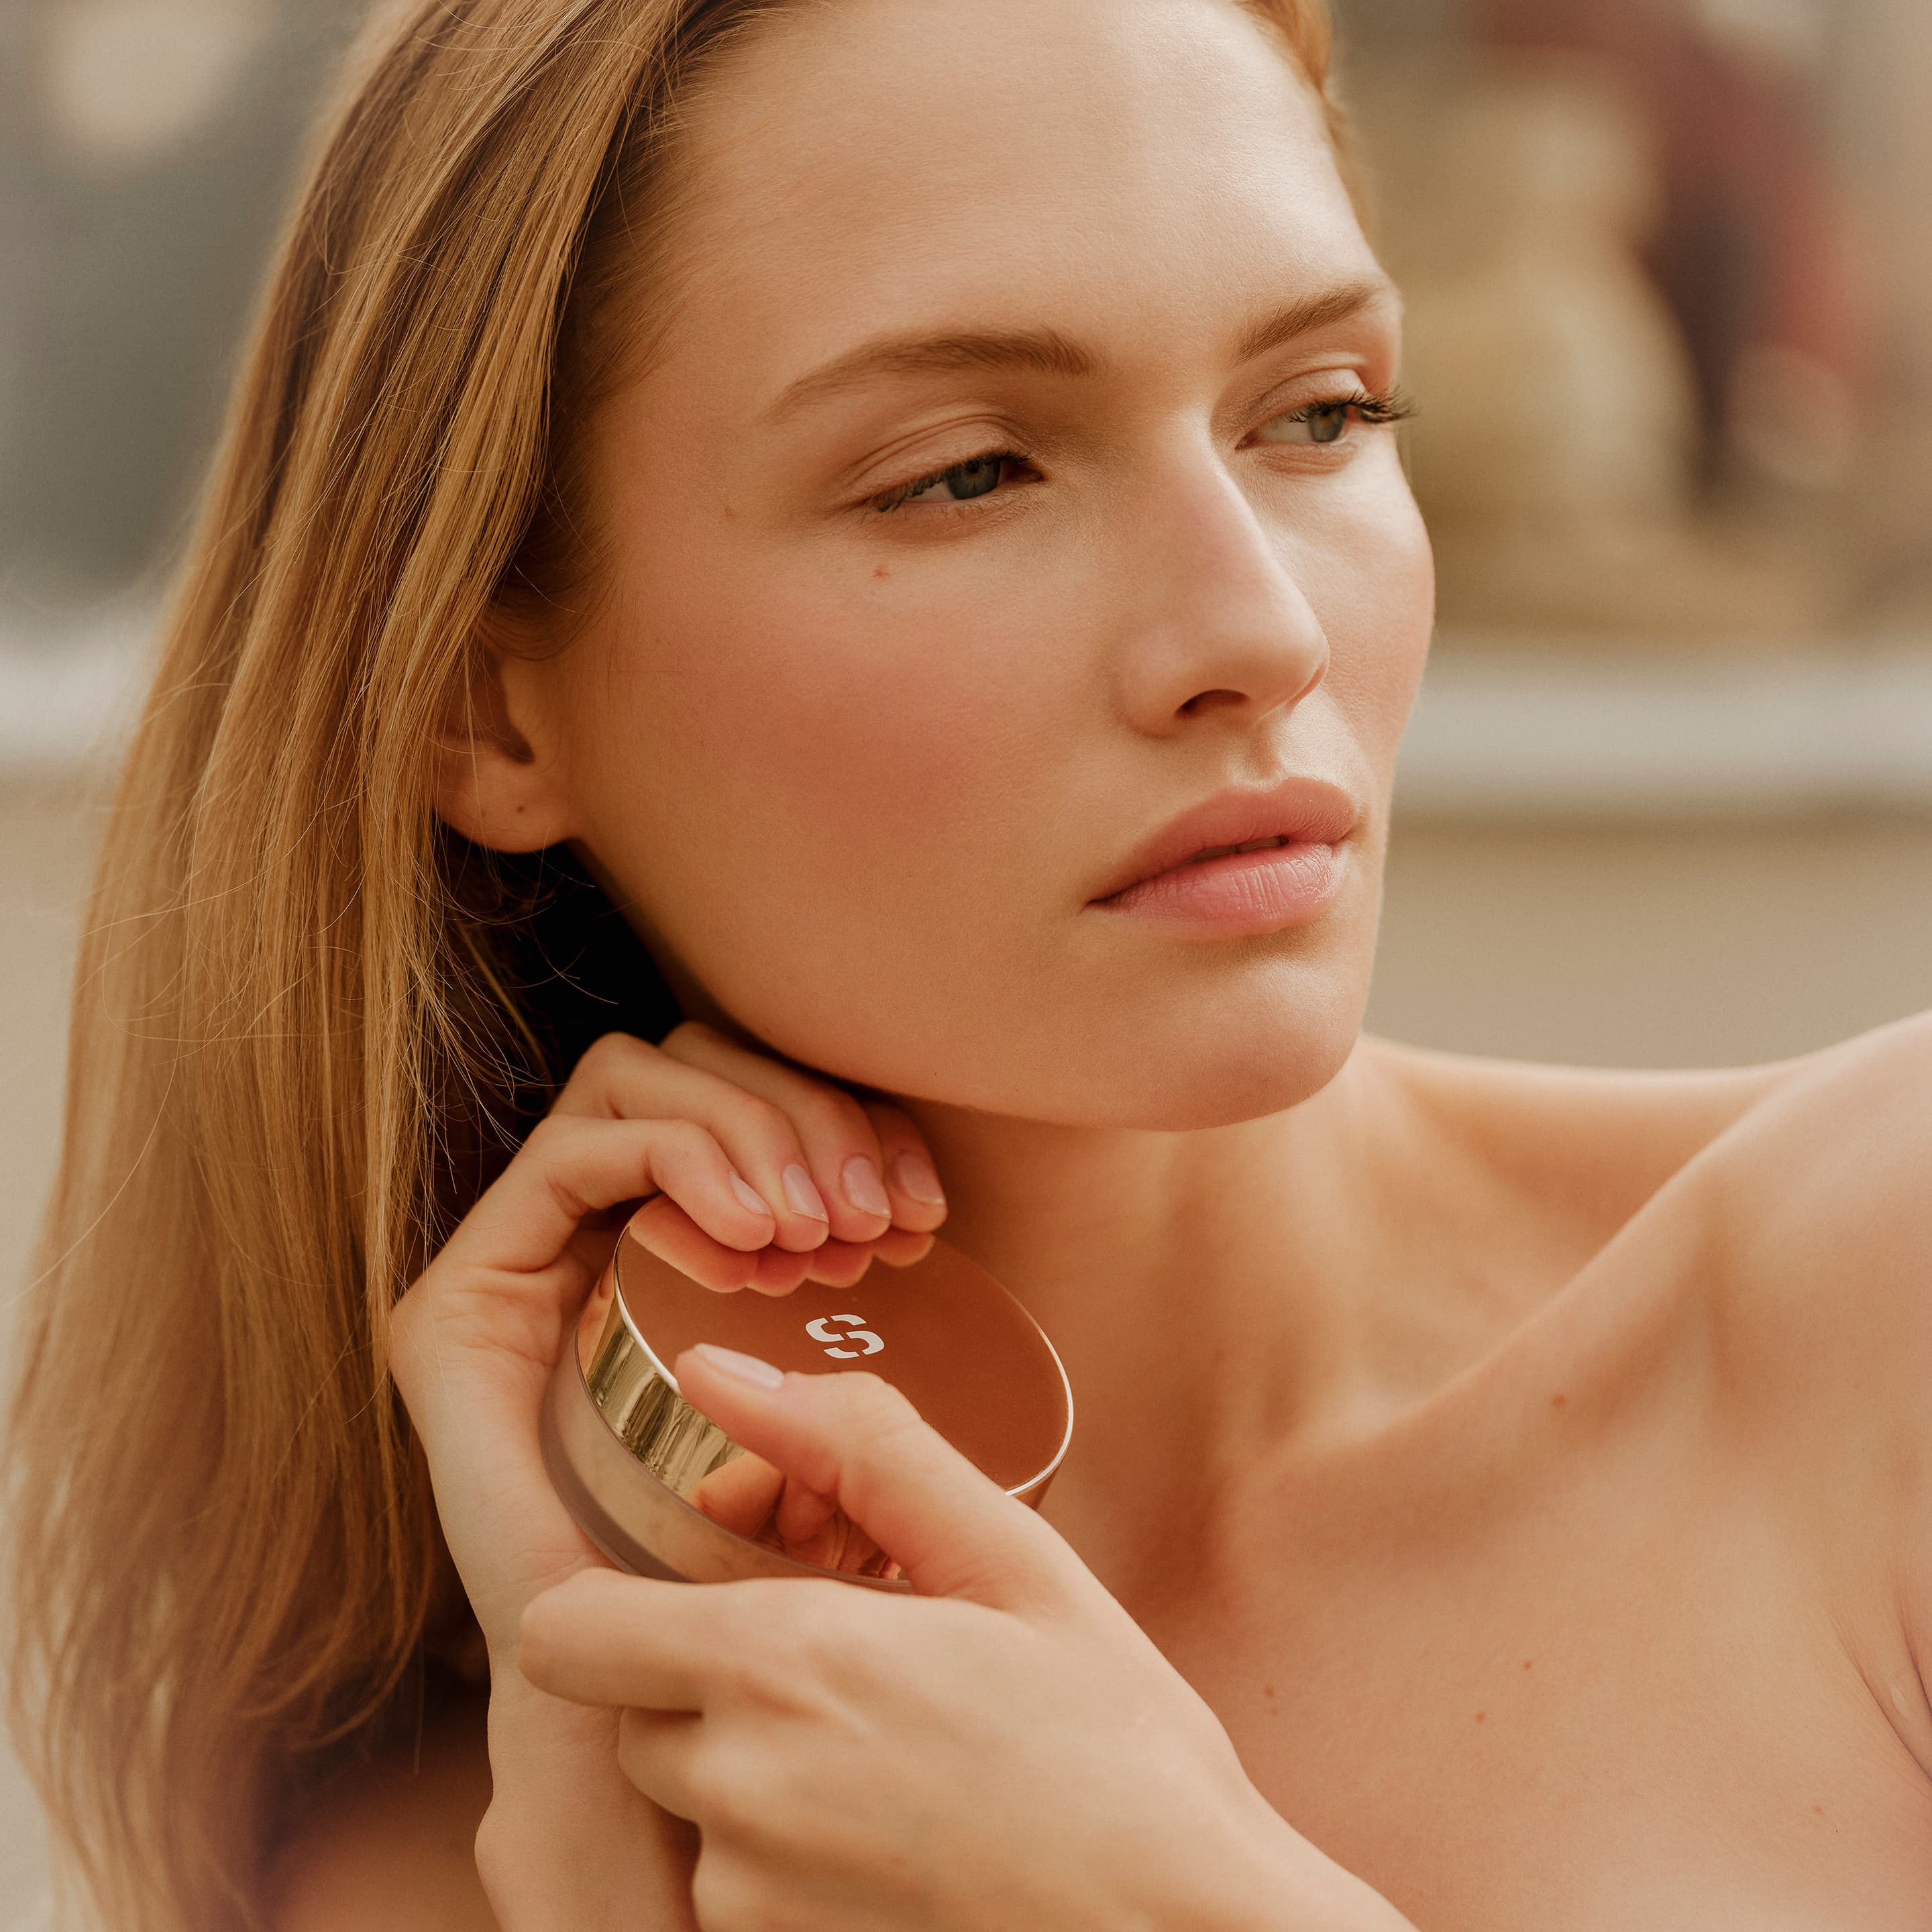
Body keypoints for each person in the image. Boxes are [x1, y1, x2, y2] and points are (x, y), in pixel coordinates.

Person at [7, 0, 1929, 1925]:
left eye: (1322, 413)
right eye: (966, 472)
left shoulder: (1884, 1293)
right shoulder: (491, 1842)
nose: (1259, 632)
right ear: (483, 707)